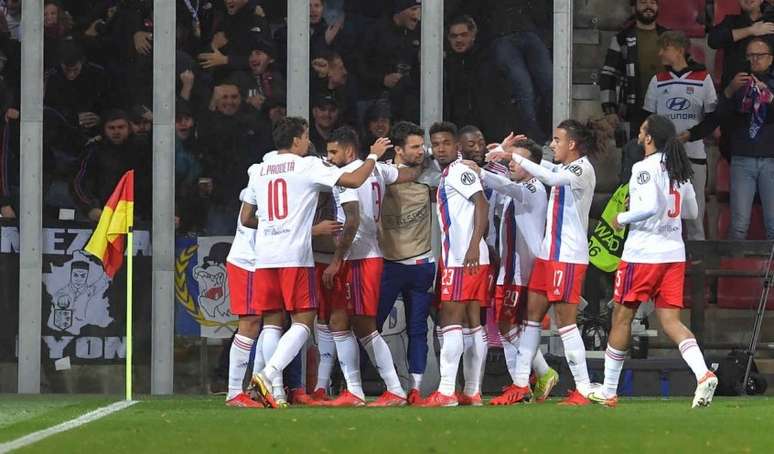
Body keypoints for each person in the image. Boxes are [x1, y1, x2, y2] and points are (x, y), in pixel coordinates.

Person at [246, 116, 391, 409]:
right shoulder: (307, 165)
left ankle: (276, 393)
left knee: (272, 324)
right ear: (297, 140)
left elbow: (246, 219)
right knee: (304, 320)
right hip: (294, 257)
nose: (309, 142)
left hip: (264, 256)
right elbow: (354, 179)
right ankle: (267, 374)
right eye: (306, 136)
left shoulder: (259, 169)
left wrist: (278, 223)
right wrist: (374, 154)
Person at [589, 114, 718, 408]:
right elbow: (692, 213)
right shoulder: (679, 169)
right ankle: (703, 373)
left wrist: (622, 217)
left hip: (643, 255)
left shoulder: (644, 167)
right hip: (673, 254)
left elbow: (649, 207)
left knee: (621, 317)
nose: (638, 132)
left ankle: (608, 391)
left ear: (649, 138)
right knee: (671, 321)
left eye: (642, 129)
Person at [486, 120, 600, 405]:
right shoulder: (563, 168)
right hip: (549, 255)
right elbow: (549, 170)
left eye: (557, 139)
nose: (552, 145)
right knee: (531, 320)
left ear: (571, 144)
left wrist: (512, 156)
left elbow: (551, 178)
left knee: (565, 325)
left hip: (568, 256)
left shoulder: (582, 169)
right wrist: (504, 153)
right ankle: (521, 384)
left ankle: (584, 388)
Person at [320, 126, 426, 407]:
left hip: (359, 257)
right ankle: (354, 391)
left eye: (334, 152)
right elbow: (408, 174)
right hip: (365, 255)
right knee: (338, 322)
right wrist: (421, 159)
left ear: (349, 151)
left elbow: (352, 220)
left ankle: (394, 389)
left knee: (365, 326)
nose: (329, 158)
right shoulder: (378, 169)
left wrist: (337, 260)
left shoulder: (348, 177)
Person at [464, 138, 559, 405]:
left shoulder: (532, 187)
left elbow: (502, 183)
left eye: (518, 161)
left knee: (508, 324)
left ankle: (540, 373)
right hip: (511, 267)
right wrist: (497, 155)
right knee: (511, 326)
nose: (512, 164)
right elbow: (502, 181)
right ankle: (527, 381)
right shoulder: (517, 185)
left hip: (523, 271)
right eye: (511, 160)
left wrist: (481, 171)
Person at [418, 121, 490, 407]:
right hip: (470, 257)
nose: (440, 149)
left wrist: (473, 244)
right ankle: (472, 391)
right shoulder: (450, 172)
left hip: (463, 257)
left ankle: (447, 391)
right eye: (436, 144)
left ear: (457, 146)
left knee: (450, 320)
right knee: (473, 323)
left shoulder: (459, 171)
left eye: (446, 143)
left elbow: (482, 203)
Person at [377, 121, 438, 405]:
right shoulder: (380, 173)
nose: (420, 151)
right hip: (389, 263)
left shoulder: (431, 172)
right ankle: (383, 384)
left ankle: (414, 388)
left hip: (422, 262)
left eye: (421, 146)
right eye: (414, 147)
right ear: (398, 149)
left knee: (418, 329)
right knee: (371, 327)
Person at [642, 31, 718, 241]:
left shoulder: (703, 78)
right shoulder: (657, 80)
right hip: (663, 160)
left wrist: (689, 135)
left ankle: (697, 269)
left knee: (695, 217)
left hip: (694, 157)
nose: (659, 54)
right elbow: (648, 121)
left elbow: (712, 119)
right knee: (664, 217)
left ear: (679, 49)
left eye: (664, 48)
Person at [721, 38, 774, 239]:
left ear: (771, 58)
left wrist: (770, 97)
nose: (754, 60)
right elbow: (718, 115)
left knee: (773, 224)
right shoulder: (738, 81)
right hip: (742, 157)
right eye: (750, 55)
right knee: (739, 225)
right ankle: (732, 269)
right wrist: (729, 90)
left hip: (771, 158)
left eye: (759, 55)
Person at [444, 15, 521, 142]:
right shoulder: (444, 65)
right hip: (459, 129)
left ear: (473, 35)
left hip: (491, 130)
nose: (458, 40)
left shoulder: (489, 61)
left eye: (463, 35)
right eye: (454, 36)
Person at [600, 0, 668, 140]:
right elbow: (608, 76)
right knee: (633, 156)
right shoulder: (621, 39)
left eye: (653, 2)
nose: (648, 6)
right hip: (633, 110)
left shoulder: (668, 38)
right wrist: (610, 110)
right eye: (643, 2)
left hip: (667, 110)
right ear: (634, 7)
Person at [224, 188, 264, 408]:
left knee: (271, 322)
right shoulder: (262, 183)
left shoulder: (265, 178)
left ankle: (257, 387)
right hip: (249, 261)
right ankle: (233, 392)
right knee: (250, 322)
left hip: (264, 261)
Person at [357, 0, 421, 122]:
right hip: (375, 98)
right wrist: (383, 79)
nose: (418, 14)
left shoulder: (420, 32)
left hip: (406, 100)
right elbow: (358, 65)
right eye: (413, 9)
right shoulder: (375, 31)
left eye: (419, 9)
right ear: (399, 10)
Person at [708, 0, 774, 91]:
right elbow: (713, 41)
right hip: (733, 91)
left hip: (768, 92)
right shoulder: (731, 21)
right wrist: (751, 30)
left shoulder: (771, 23)